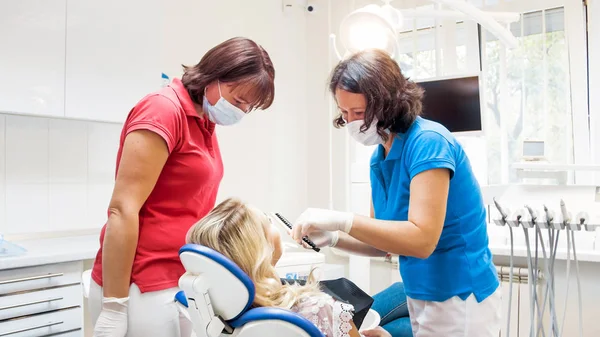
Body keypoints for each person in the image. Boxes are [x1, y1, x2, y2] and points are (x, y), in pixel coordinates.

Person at [291, 49, 501, 337]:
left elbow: (422, 240)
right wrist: (335, 238)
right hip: (420, 292)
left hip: (459, 296)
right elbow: (383, 243)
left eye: (360, 113)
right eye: (344, 113)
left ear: (388, 104)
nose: (352, 123)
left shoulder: (429, 143)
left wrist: (341, 219)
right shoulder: (380, 157)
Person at [88, 37, 275, 337]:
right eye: (237, 100)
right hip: (141, 283)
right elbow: (122, 209)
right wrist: (114, 306)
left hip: (179, 275)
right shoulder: (163, 110)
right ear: (214, 75)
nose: (240, 111)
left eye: (247, 107)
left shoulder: (204, 122)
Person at [186, 197, 394, 337]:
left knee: (397, 294)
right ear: (260, 248)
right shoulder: (318, 308)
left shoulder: (220, 313)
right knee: (401, 317)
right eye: (268, 221)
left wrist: (333, 239)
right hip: (333, 318)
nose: (274, 224)